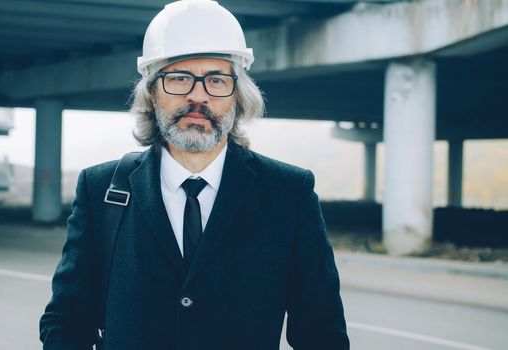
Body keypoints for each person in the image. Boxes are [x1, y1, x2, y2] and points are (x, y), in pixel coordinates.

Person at [40, 1, 349, 349]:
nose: (197, 95)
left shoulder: (288, 193)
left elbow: (322, 333)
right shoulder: (100, 190)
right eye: (179, 78)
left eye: (216, 80)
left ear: (238, 95)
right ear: (152, 92)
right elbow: (66, 320)